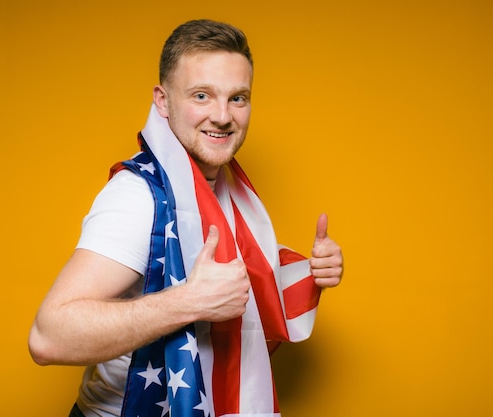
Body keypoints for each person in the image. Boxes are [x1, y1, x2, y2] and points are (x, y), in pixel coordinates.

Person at [29, 19, 344, 417]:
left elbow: (240, 291)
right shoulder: (140, 195)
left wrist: (310, 274)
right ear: (162, 101)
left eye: (238, 98)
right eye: (201, 96)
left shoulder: (226, 191)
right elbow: (48, 336)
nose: (223, 116)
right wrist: (189, 303)